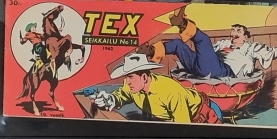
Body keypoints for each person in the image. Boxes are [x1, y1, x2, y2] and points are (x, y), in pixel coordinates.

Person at [139, 5, 277, 79]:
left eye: (238, 31)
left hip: (225, 72)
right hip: (204, 67)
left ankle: (182, 23)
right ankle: (151, 51)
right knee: (177, 44)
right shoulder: (224, 43)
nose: (234, 33)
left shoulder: (252, 47)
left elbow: (274, 52)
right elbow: (207, 54)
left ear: (245, 35)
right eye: (233, 30)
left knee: (204, 40)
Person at [90, 52, 223, 124]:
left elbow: (183, 127)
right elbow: (122, 96)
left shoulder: (169, 91)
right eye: (126, 77)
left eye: (130, 77)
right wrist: (111, 99)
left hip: (204, 116)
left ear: (144, 77)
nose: (127, 82)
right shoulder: (131, 85)